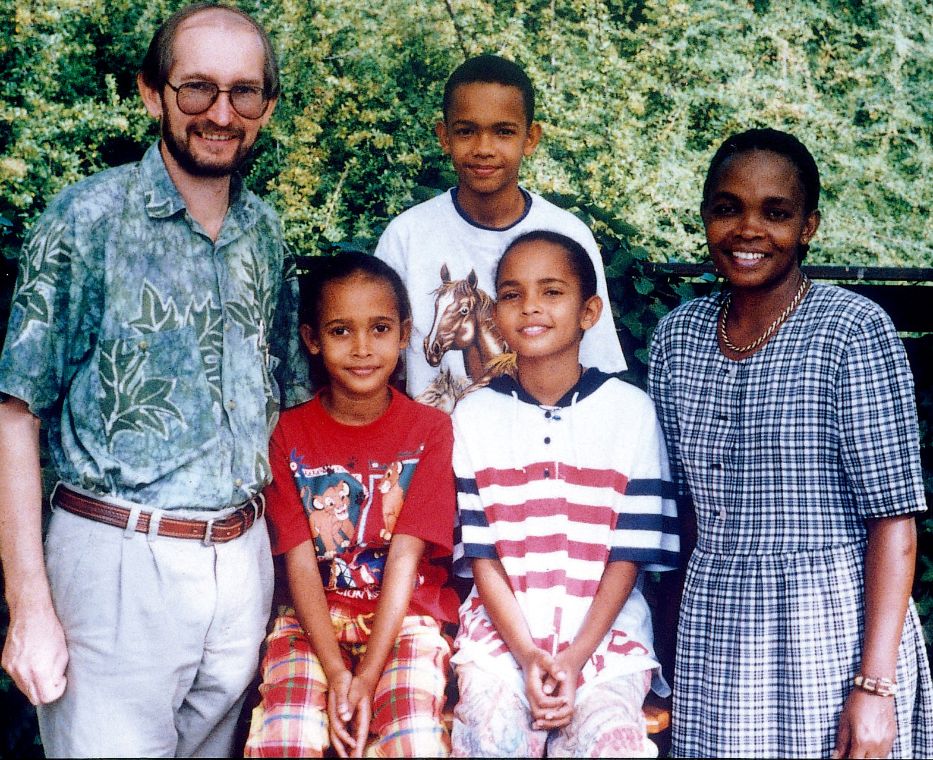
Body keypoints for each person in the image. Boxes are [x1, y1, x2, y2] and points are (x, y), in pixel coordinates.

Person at [0, 3, 309, 756]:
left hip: (241, 567)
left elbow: (284, 401)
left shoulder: (264, 232)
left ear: (266, 106)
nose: (220, 113)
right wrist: (28, 605)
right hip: (116, 564)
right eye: (197, 87)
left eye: (243, 92)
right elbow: (15, 411)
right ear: (151, 93)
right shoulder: (87, 219)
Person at [648, 127, 933, 758]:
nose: (748, 229)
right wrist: (660, 657)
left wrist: (875, 686)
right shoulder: (677, 337)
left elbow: (894, 522)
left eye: (775, 213)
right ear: (705, 217)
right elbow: (683, 518)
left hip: (831, 634)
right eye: (728, 208)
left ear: (808, 226)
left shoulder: (852, 331)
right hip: (714, 634)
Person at [449, 230, 679, 757]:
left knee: (610, 741)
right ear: (495, 314)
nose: (531, 306)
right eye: (512, 294)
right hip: (500, 643)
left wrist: (574, 658)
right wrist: (529, 654)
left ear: (589, 311)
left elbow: (628, 557)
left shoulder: (629, 412)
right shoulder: (474, 416)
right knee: (492, 734)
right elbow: (483, 557)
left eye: (551, 291)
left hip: (606, 642)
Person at [244, 252, 459, 758]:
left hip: (405, 621)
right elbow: (300, 563)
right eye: (341, 331)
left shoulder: (430, 431)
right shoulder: (286, 435)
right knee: (286, 739)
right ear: (312, 339)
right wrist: (338, 672)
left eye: (379, 328)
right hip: (310, 621)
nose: (362, 348)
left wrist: (366, 676)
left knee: (413, 740)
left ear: (404, 334)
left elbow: (404, 559)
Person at [374, 54, 626, 412]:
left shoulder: (567, 234)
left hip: (546, 441)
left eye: (503, 131)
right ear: (444, 137)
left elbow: (596, 370)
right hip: (432, 441)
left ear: (530, 138)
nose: (484, 148)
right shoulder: (406, 237)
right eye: (466, 131)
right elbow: (380, 369)